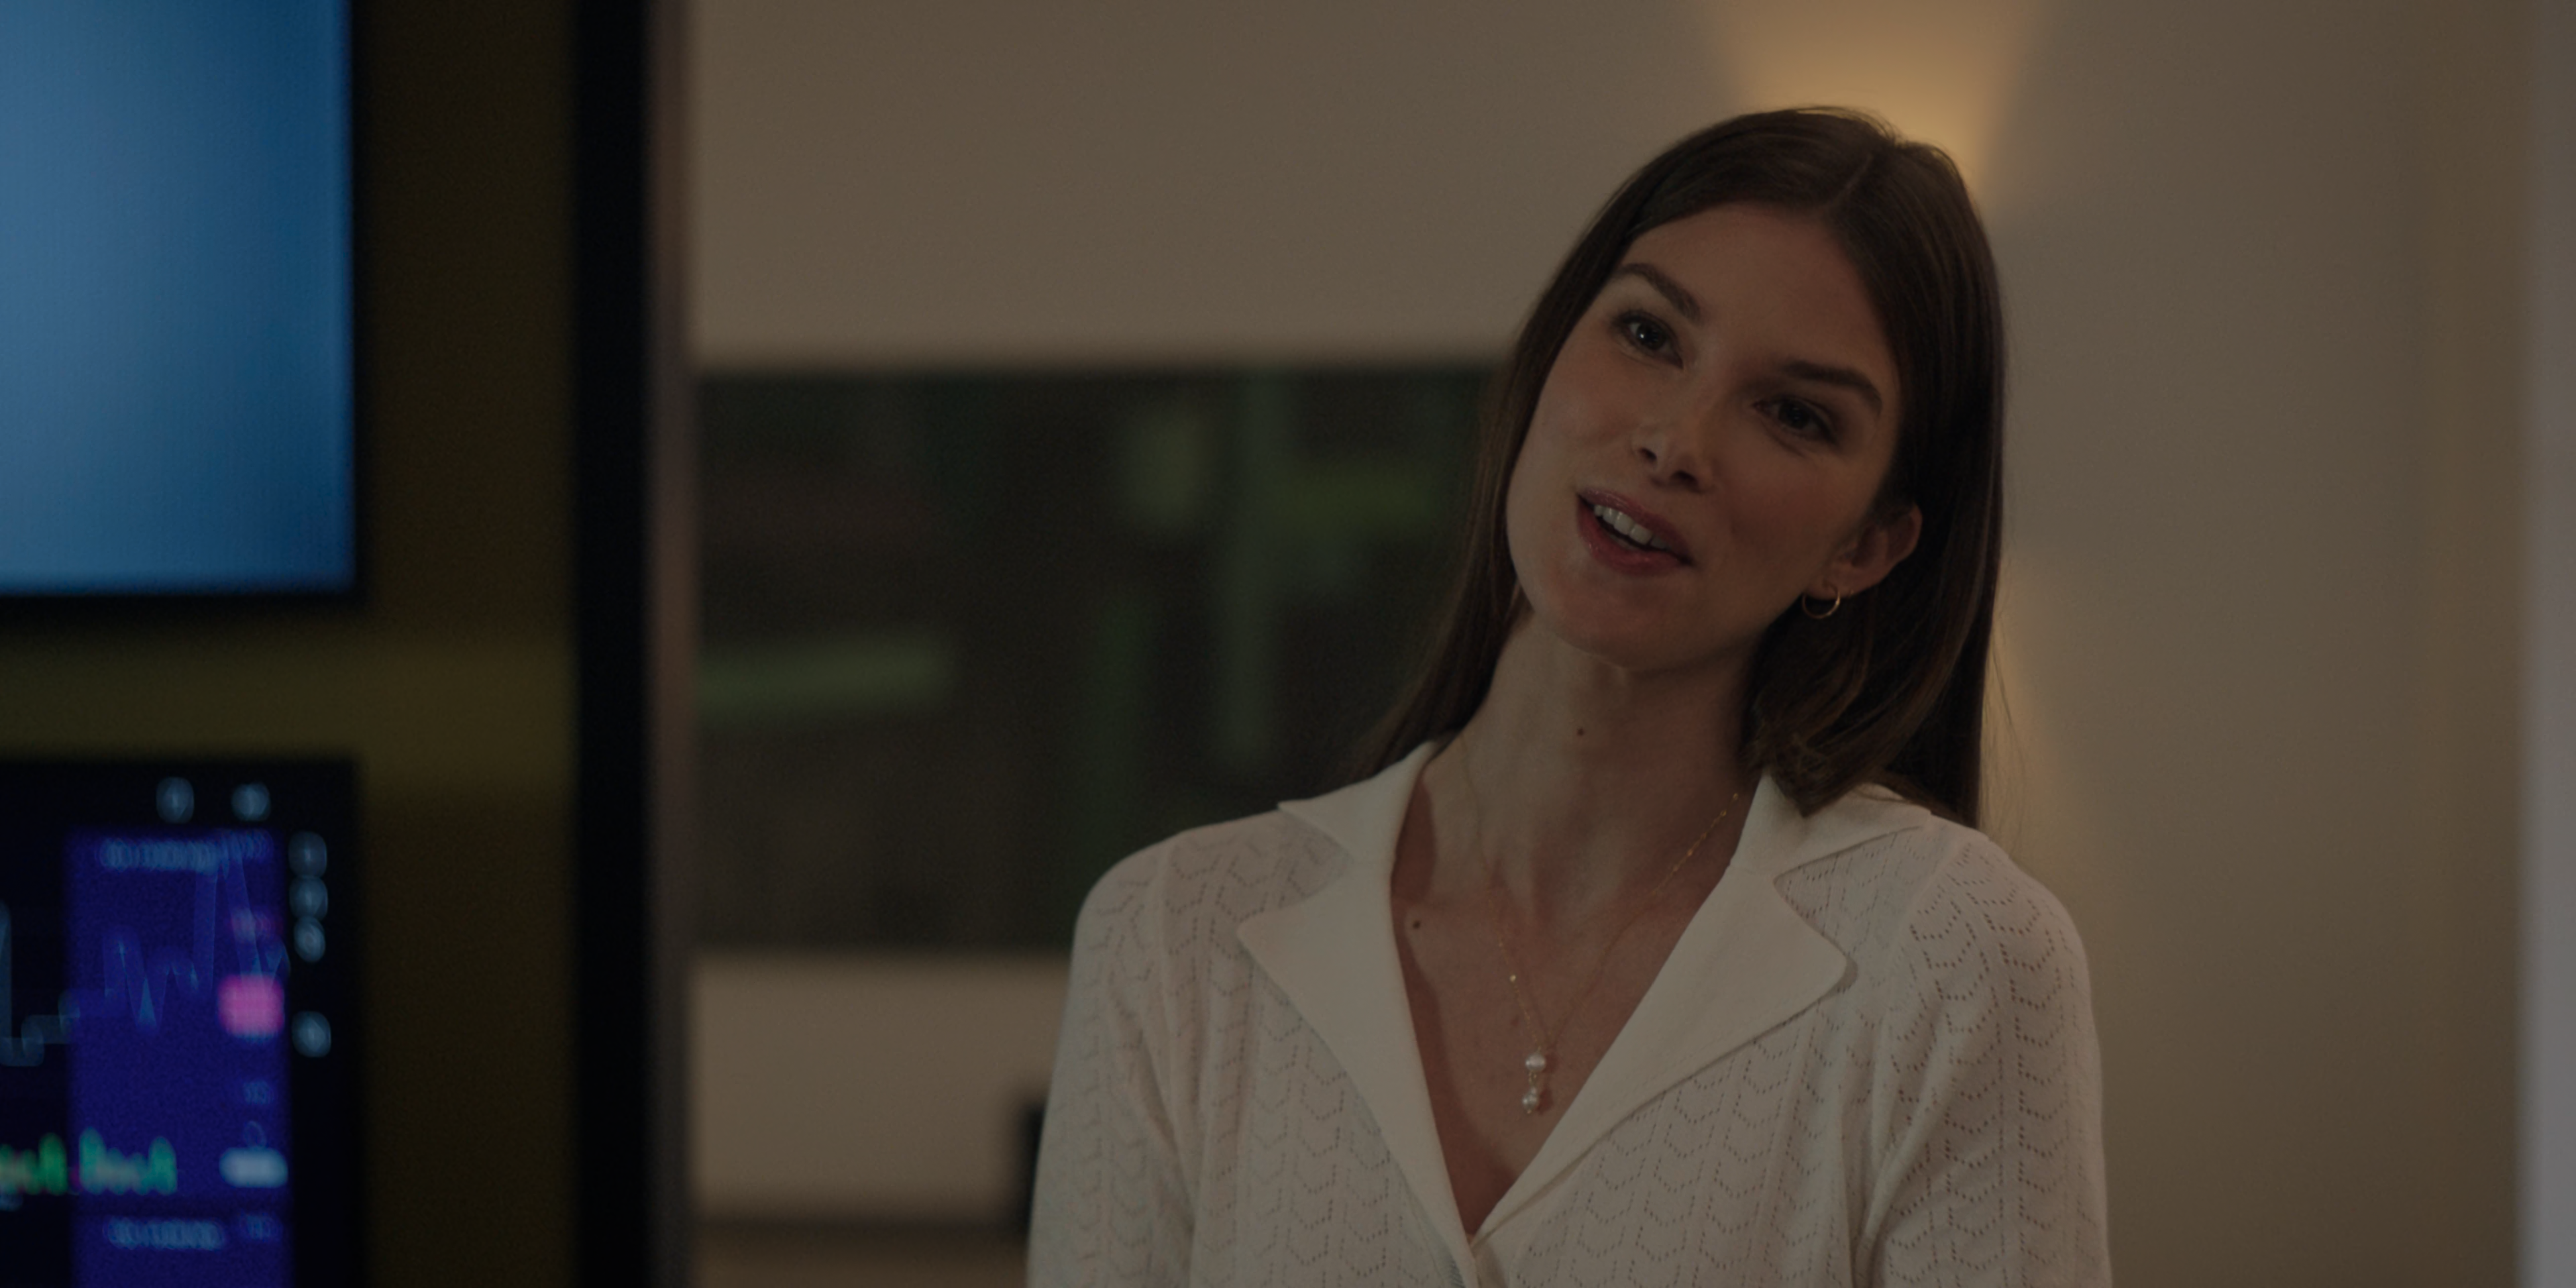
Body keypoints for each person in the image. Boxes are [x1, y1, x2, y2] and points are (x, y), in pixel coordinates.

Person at [1028, 108, 2110, 1287]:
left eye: (1795, 414)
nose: (1675, 440)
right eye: (1648, 334)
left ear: (1866, 546)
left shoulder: (1951, 964)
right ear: (1545, 361)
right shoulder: (1172, 940)